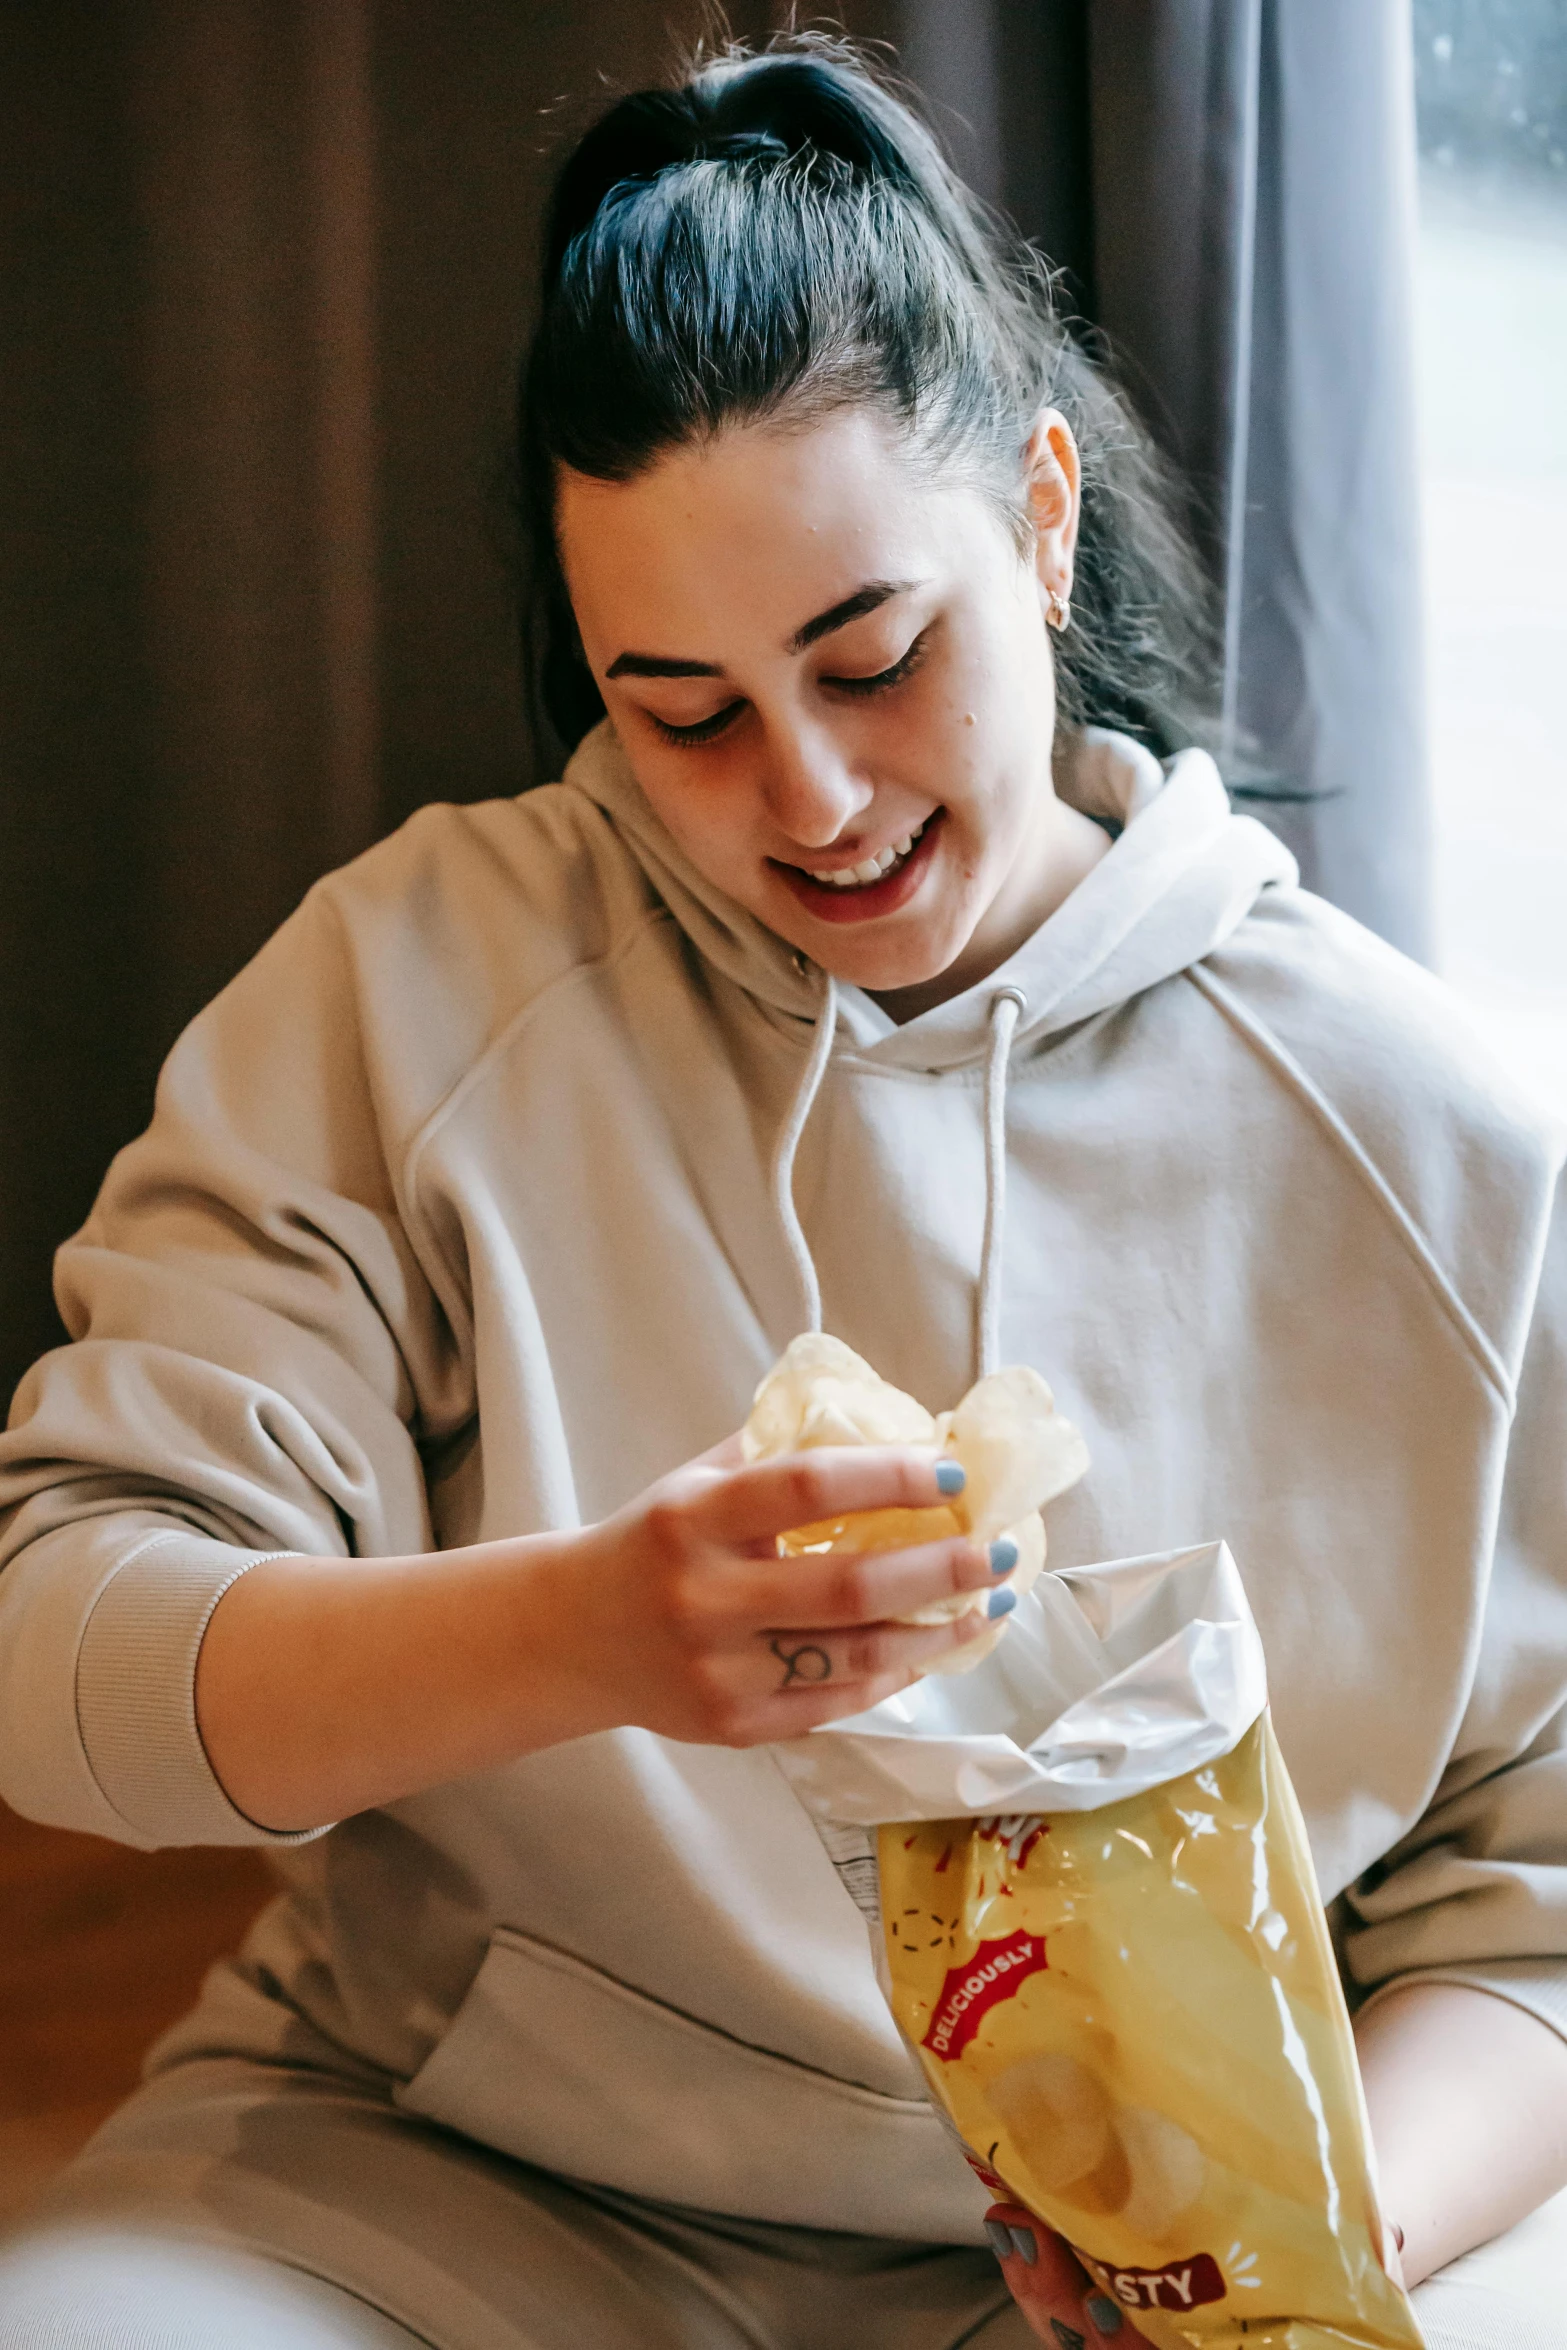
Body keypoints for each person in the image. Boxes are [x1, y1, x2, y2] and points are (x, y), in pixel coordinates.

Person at [1, 32, 1565, 2350]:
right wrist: (595, 1629)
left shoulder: (1428, 1144)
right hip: (441, 2180)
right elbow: (59, 1660)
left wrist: (1277, 2237)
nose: (812, 797)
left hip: (1136, 2249)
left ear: (1040, 518)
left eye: (873, 657)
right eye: (683, 707)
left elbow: (1534, 1898)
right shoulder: (422, 981)